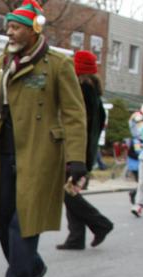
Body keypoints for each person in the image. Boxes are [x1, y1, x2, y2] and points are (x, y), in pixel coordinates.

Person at [0, 0, 86, 277]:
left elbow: (75, 115)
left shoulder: (57, 65)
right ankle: (31, 266)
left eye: (16, 27)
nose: (9, 32)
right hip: (3, 152)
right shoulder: (2, 62)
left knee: (22, 225)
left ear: (34, 30)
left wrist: (76, 159)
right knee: (2, 220)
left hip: (39, 155)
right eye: (8, 26)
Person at [57, 51, 114, 250]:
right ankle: (76, 237)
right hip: (82, 152)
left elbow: (79, 126)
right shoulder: (94, 93)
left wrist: (76, 157)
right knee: (70, 191)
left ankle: (101, 224)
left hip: (76, 153)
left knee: (65, 192)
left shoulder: (82, 91)